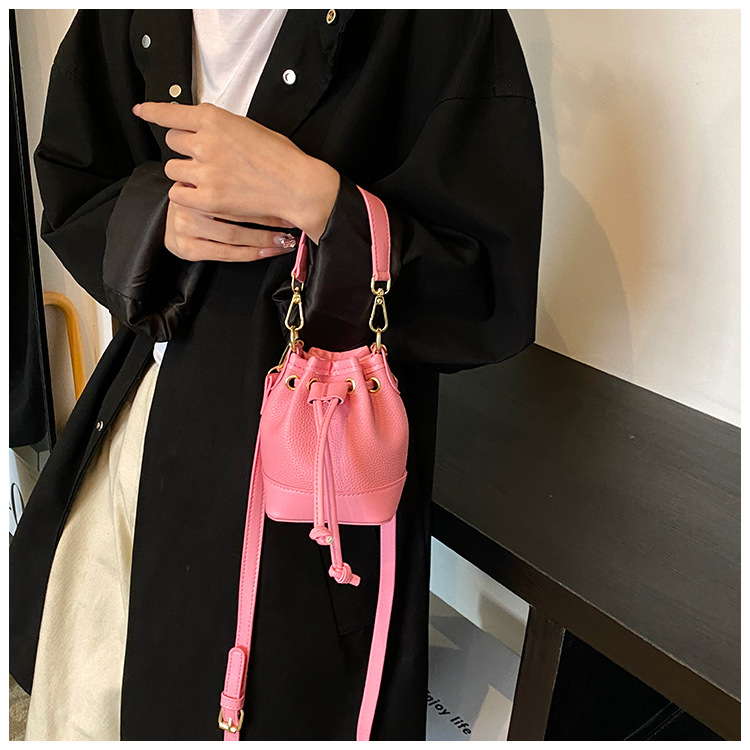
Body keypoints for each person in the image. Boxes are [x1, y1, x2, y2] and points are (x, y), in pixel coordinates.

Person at [9, 9, 544, 741]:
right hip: (147, 422)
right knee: (98, 691)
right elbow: (76, 178)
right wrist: (154, 217)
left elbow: (490, 286)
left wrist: (319, 201)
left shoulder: (439, 22)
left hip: (317, 466)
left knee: (275, 703)